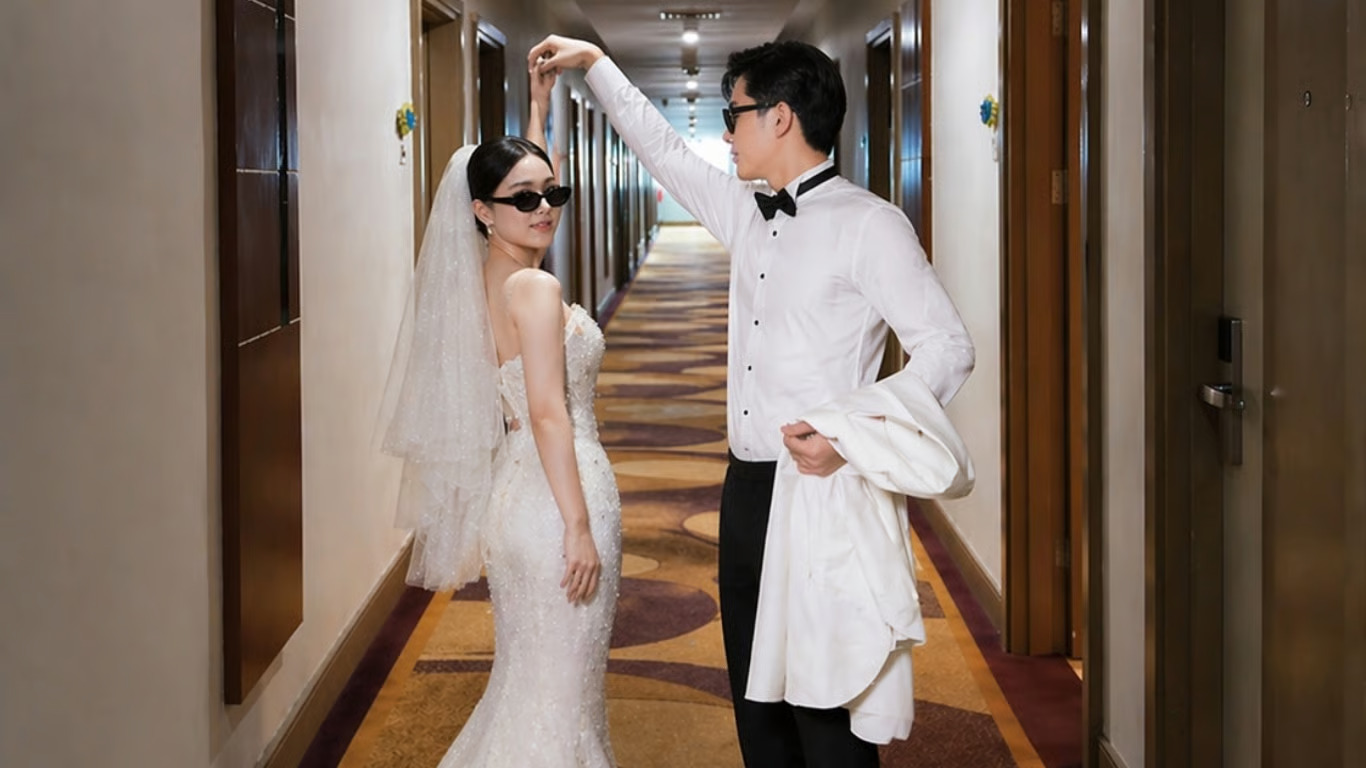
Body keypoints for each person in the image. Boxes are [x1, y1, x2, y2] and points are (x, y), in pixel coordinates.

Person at [528, 36, 974, 768]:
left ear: (781, 117)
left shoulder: (870, 224)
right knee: (756, 703)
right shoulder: (743, 209)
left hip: (824, 492)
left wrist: (850, 436)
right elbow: (663, 152)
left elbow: (948, 347)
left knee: (826, 704)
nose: (727, 133)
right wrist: (595, 65)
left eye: (735, 115)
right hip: (746, 490)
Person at [378, 64, 621, 767]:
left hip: (515, 499)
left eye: (553, 193)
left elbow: (526, 205)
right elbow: (548, 413)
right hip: (558, 496)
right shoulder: (536, 291)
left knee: (533, 684)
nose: (544, 208)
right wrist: (578, 526)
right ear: (483, 211)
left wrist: (539, 111)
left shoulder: (488, 278)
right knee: (564, 699)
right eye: (525, 199)